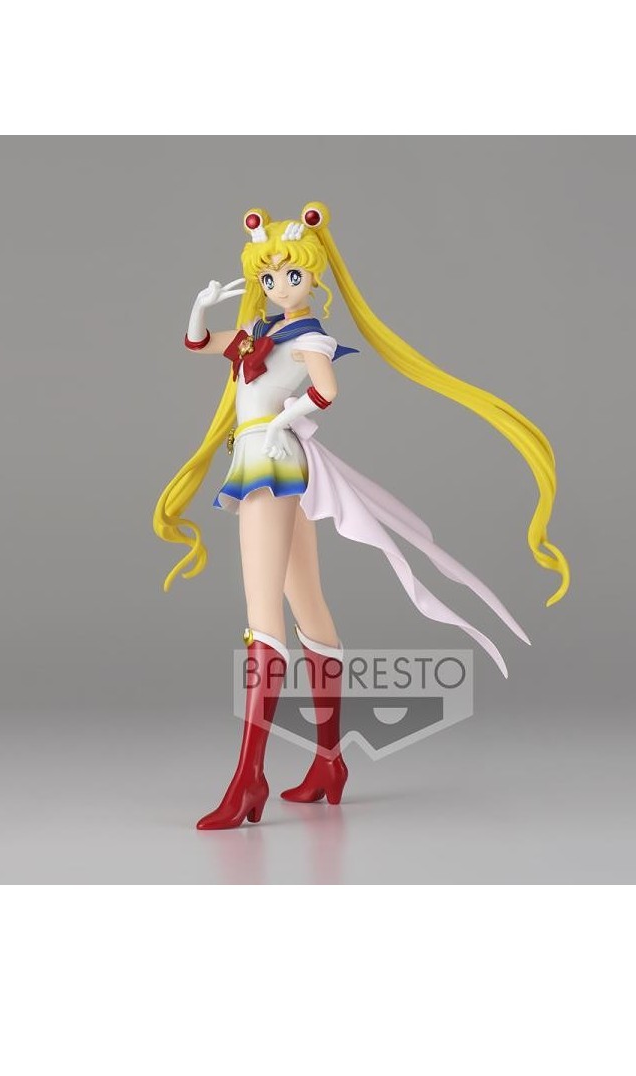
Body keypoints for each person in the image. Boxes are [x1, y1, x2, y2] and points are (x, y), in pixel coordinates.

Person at [154, 202, 570, 830]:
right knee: (308, 604)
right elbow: (197, 343)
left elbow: (326, 391)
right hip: (275, 459)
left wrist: (287, 419)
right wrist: (201, 306)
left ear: (313, 278)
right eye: (269, 277)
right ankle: (330, 764)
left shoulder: (307, 338)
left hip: (269, 463)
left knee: (263, 619)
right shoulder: (259, 335)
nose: (279, 286)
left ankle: (248, 781)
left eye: (291, 276)